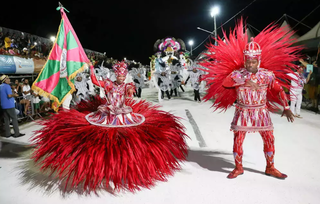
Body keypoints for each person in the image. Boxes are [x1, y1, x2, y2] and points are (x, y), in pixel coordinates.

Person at [31, 61, 188, 193]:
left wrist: (130, 90)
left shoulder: (126, 85)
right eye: (119, 75)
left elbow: (129, 90)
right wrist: (91, 69)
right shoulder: (109, 84)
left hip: (121, 113)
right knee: (103, 138)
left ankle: (123, 166)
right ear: (115, 75)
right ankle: (103, 167)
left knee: (125, 138)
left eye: (123, 75)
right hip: (108, 113)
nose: (121, 77)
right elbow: (94, 81)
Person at [201, 20, 300, 180]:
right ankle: (238, 167)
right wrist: (243, 81)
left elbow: (279, 89)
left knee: (269, 138)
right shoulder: (237, 74)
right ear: (245, 60)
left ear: (258, 61)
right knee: (238, 139)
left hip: (261, 111)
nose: (250, 64)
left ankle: (270, 167)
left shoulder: (266, 75)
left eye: (253, 61)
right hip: (243, 111)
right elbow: (226, 83)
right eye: (248, 61)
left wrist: (286, 107)